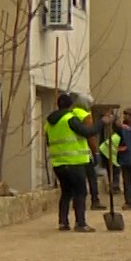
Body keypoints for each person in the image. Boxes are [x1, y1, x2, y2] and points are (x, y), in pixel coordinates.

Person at [44, 92, 99, 232]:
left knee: (66, 193)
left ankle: (63, 222)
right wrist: (103, 123)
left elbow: (48, 142)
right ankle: (80, 223)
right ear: (70, 105)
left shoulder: (49, 123)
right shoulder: (70, 119)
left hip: (58, 164)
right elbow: (87, 132)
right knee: (80, 192)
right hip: (75, 162)